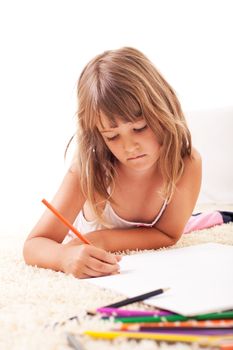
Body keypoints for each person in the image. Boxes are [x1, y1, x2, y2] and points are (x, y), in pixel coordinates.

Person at [23, 47, 202, 279]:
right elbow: (34, 244)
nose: (129, 147)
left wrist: (101, 240)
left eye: (139, 128)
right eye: (112, 136)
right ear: (99, 135)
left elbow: (168, 235)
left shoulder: (186, 164)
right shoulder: (89, 168)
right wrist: (64, 258)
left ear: (163, 110)